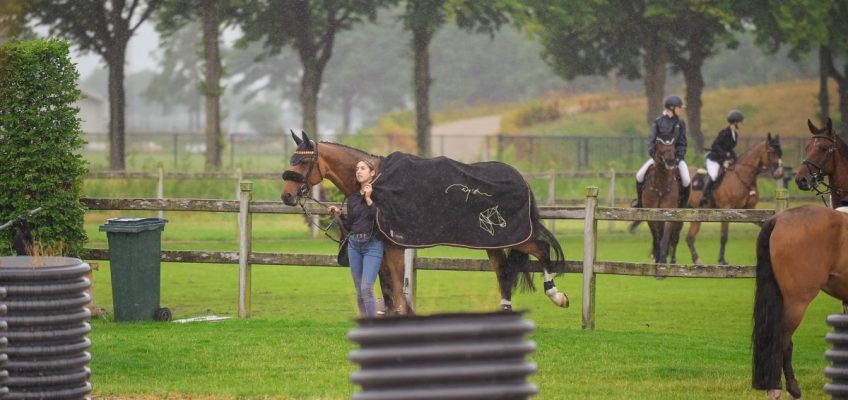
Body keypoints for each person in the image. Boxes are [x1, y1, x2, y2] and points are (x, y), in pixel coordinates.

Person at [328, 160, 383, 318]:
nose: (359, 171)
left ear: (372, 173)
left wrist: (368, 199)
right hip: (354, 245)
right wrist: (338, 214)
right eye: (357, 169)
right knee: (359, 290)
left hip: (372, 245)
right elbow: (349, 225)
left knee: (366, 288)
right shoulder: (352, 199)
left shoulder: (379, 196)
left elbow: (381, 220)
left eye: (363, 168)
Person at [633, 94, 691, 208]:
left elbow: (683, 143)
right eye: (679, 107)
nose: (680, 110)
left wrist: (679, 157)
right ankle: (640, 203)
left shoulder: (681, 123)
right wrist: (654, 156)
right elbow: (652, 141)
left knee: (686, 179)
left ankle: (684, 205)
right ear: (672, 108)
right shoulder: (658, 122)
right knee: (639, 175)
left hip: (676, 158)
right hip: (658, 158)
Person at [699, 110, 743, 207]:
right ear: (735, 122)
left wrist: (736, 158)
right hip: (714, 159)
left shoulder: (735, 135)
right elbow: (715, 146)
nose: (741, 124)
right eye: (740, 122)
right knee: (714, 175)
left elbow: (730, 149)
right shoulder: (724, 133)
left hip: (723, 160)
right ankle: (704, 196)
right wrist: (726, 155)